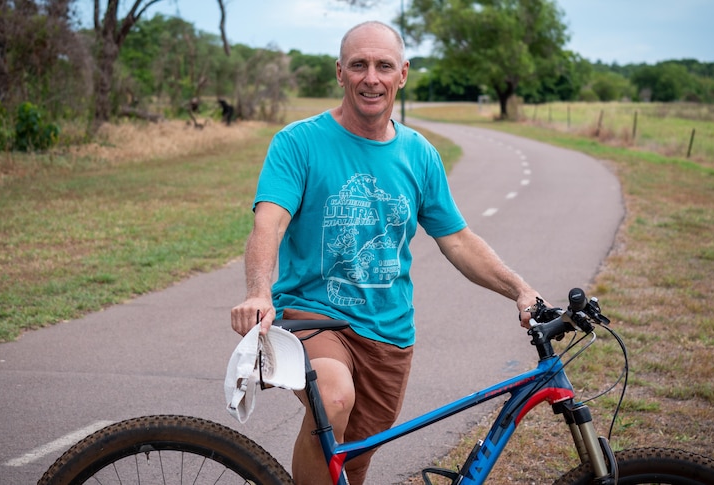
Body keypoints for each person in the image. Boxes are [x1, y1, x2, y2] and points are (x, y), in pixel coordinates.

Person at [230, 20, 543, 485]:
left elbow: (456, 239)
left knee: (352, 465)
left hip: (389, 335)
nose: (370, 77)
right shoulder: (298, 143)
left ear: (403, 75)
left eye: (383, 66)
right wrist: (259, 291)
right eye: (358, 65)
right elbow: (269, 222)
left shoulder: (419, 155)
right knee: (333, 398)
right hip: (313, 315)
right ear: (340, 72)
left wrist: (520, 289)